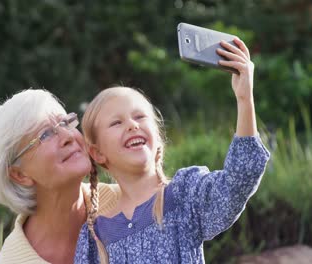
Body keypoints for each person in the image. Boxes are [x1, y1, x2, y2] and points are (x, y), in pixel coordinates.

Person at [74, 38, 270, 263]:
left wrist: (245, 98)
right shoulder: (96, 237)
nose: (132, 125)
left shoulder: (185, 195)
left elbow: (240, 179)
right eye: (116, 123)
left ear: (157, 138)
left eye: (139, 116)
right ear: (97, 153)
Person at [0, 89, 120, 264]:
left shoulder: (134, 202)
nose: (68, 136)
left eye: (65, 123)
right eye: (45, 134)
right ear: (19, 174)